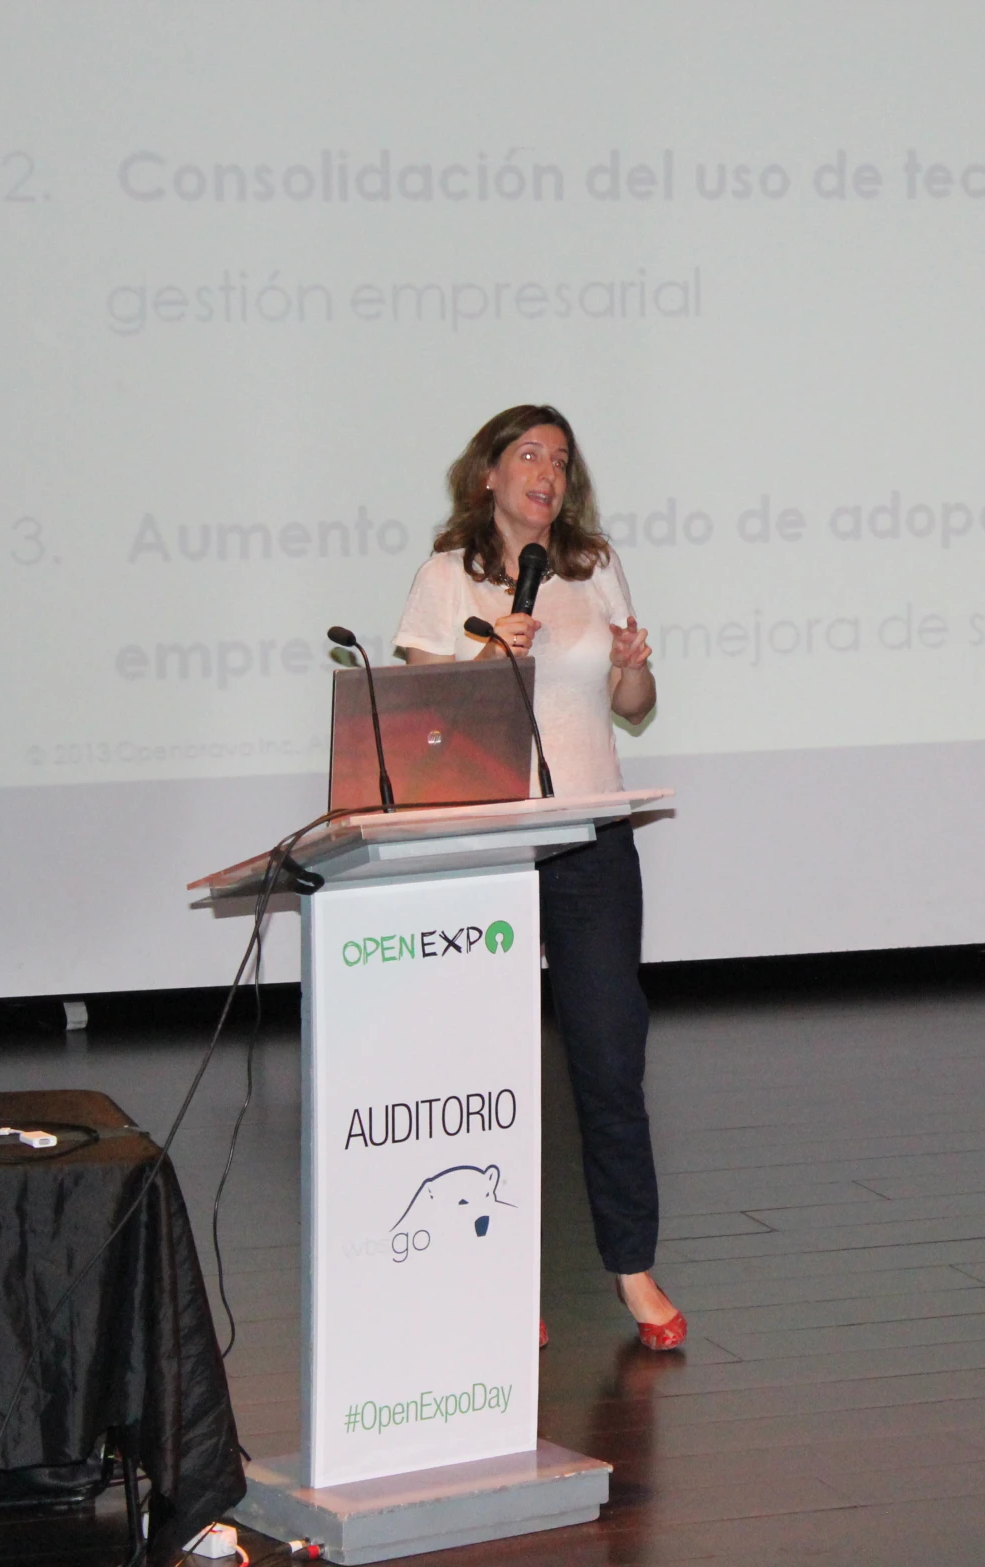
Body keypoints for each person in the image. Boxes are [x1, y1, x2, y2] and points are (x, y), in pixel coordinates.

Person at [393, 403, 685, 1352]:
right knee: (493, 1072)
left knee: (610, 1054)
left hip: (592, 837)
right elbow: (414, 715)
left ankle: (634, 1267)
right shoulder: (448, 576)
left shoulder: (591, 568)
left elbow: (631, 706)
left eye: (560, 459)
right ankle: (498, 1272)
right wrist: (487, 654)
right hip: (488, 844)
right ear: (487, 474)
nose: (547, 472)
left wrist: (634, 668)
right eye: (528, 454)